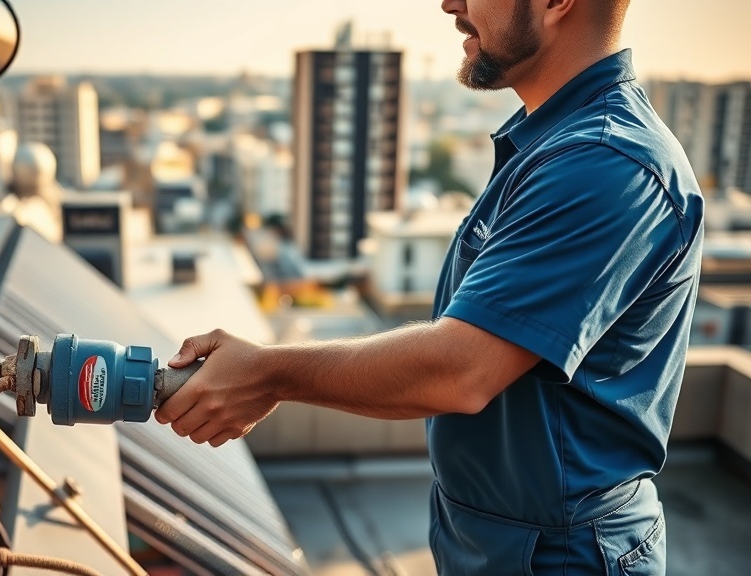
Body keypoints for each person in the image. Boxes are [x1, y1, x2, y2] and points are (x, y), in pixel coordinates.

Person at [155, 0, 704, 573]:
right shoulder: (555, 144)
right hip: (495, 535)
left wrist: (270, 372)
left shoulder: (604, 163)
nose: (450, 4)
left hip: (559, 554)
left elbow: (460, 370)